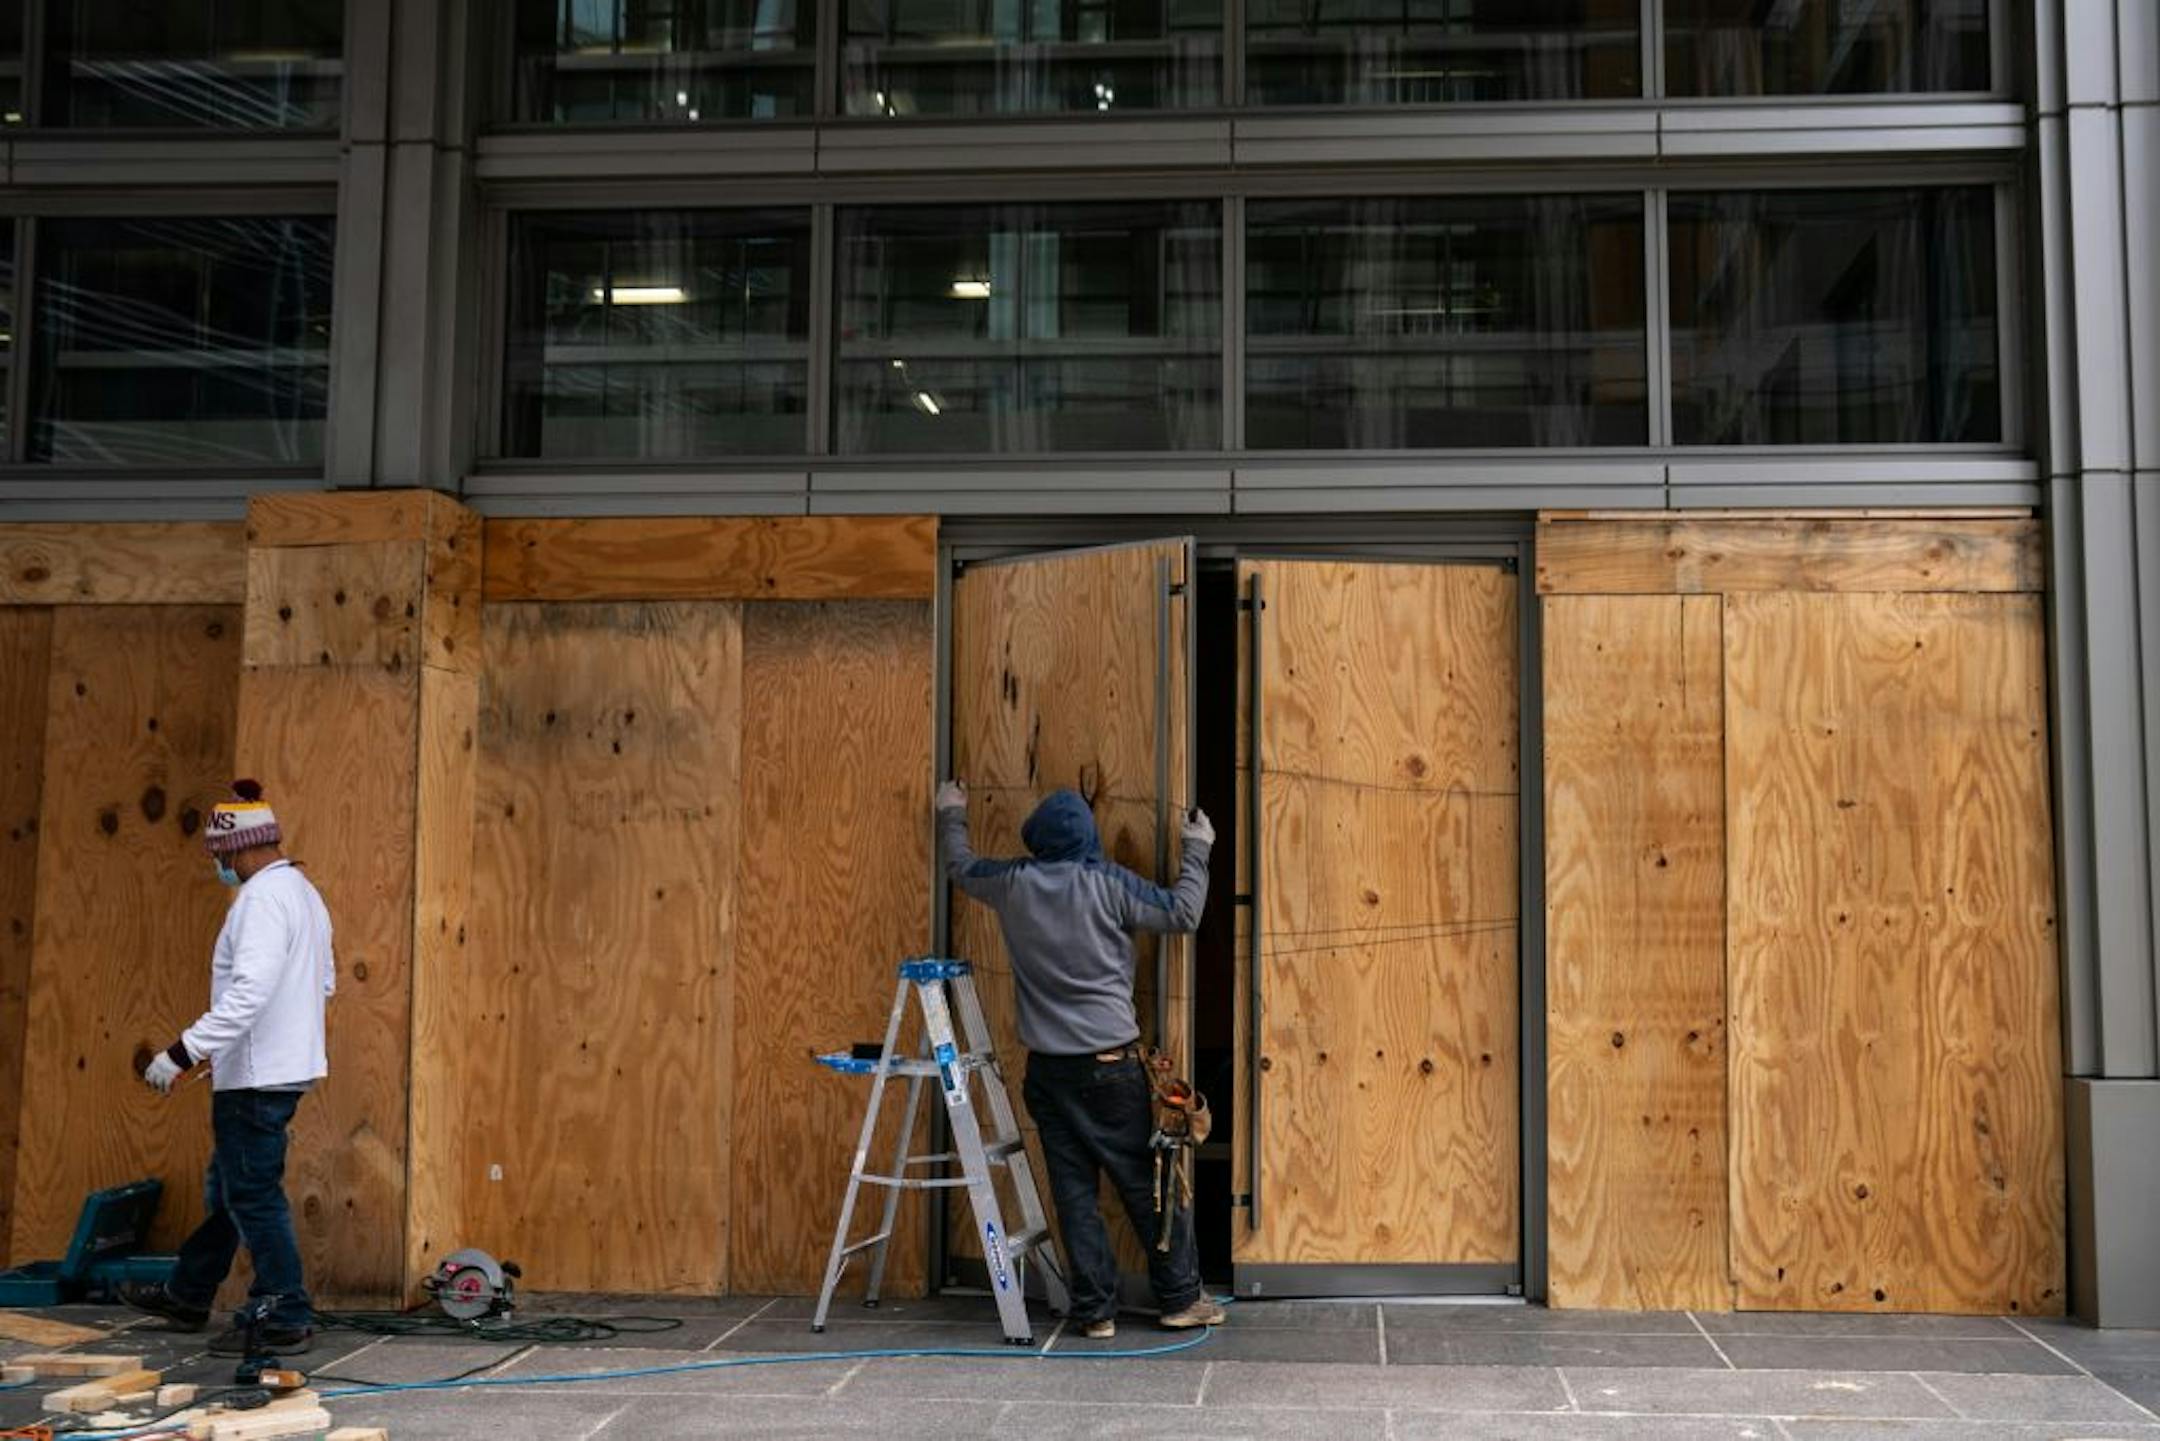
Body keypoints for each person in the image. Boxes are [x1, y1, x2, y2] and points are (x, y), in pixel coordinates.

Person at [937, 780, 1224, 1338]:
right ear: (1089, 839)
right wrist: (1197, 846)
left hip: (1047, 1071)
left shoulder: (1013, 883)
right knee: (1147, 1186)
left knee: (1074, 1193)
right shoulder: (1107, 882)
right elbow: (1183, 913)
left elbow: (960, 865)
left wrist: (952, 811)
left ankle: (1095, 1311)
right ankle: (1181, 1299)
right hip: (1110, 1068)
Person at [121, 779, 335, 1357]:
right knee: (230, 1186)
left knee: (252, 1195)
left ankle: (286, 1311)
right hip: (279, 1068)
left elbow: (250, 992)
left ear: (238, 848)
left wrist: (185, 1050)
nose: (219, 868)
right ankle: (190, 1291)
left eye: (219, 857)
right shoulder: (304, 893)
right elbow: (323, 982)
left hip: (259, 1077)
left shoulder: (261, 900)